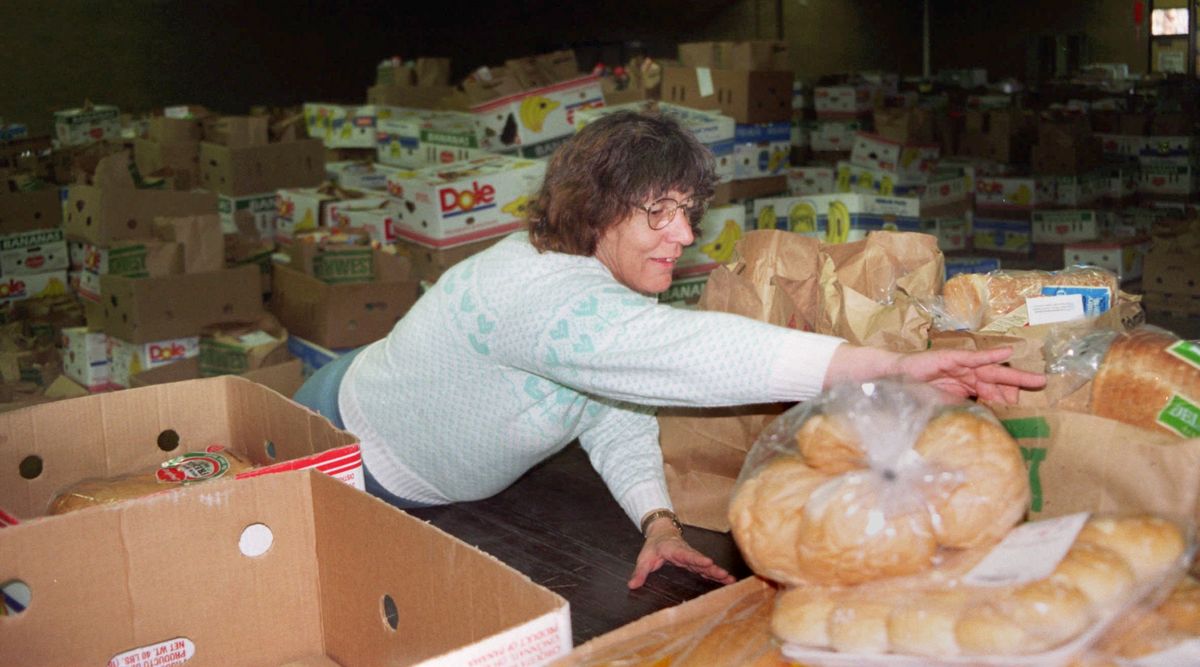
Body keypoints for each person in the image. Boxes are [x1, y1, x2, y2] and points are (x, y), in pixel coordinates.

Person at [293, 110, 1045, 590]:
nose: (684, 236)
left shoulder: (594, 291)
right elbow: (693, 352)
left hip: (424, 483)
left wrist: (658, 520)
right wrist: (889, 365)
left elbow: (613, 407)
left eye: (687, 212)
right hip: (345, 460)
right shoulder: (533, 293)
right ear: (593, 207)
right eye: (658, 211)